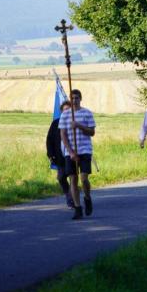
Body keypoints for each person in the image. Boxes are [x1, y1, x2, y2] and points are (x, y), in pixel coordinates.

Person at [59, 89, 96, 220]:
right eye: (72, 98)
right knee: (73, 179)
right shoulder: (65, 115)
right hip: (71, 152)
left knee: (84, 178)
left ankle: (87, 197)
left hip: (85, 149)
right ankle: (78, 208)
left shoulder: (87, 113)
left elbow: (92, 132)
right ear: (70, 99)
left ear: (80, 98)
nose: (74, 100)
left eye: (77, 98)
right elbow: (63, 135)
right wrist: (70, 152)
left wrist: (78, 125)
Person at [47, 100, 74, 208]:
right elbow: (49, 139)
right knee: (61, 177)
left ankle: (72, 199)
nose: (66, 112)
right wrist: (50, 154)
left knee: (73, 177)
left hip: (72, 155)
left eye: (69, 110)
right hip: (60, 156)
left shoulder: (74, 122)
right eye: (64, 110)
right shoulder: (55, 124)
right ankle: (68, 194)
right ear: (61, 112)